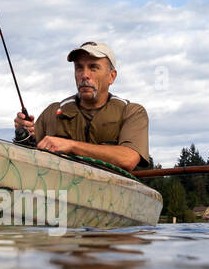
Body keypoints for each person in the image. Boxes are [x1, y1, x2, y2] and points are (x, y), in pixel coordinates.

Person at [13, 41, 150, 171]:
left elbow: (128, 159)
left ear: (111, 77)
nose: (84, 75)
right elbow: (26, 157)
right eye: (79, 67)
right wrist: (24, 133)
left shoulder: (132, 112)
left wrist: (70, 146)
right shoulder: (52, 112)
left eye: (93, 67)